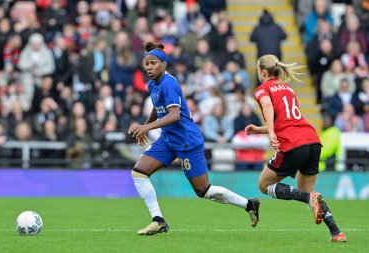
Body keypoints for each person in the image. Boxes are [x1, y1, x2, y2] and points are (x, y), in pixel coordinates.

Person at [128, 42, 260, 236]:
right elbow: (158, 107)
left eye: (153, 63)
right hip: (168, 139)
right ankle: (158, 220)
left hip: (186, 140)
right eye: (147, 63)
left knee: (203, 190)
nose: (149, 67)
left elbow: (174, 115)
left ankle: (249, 204)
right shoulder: (153, 84)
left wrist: (146, 127)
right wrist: (146, 128)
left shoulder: (169, 83)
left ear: (164, 64)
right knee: (139, 173)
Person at [245, 54, 346, 242]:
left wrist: (273, 134)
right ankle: (336, 232)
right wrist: (260, 130)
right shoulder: (287, 89)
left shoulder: (262, 89)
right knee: (308, 194)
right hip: (312, 141)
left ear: (263, 71)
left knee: (263, 185)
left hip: (292, 144)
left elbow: (267, 105)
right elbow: (287, 120)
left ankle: (310, 199)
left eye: (258, 70)